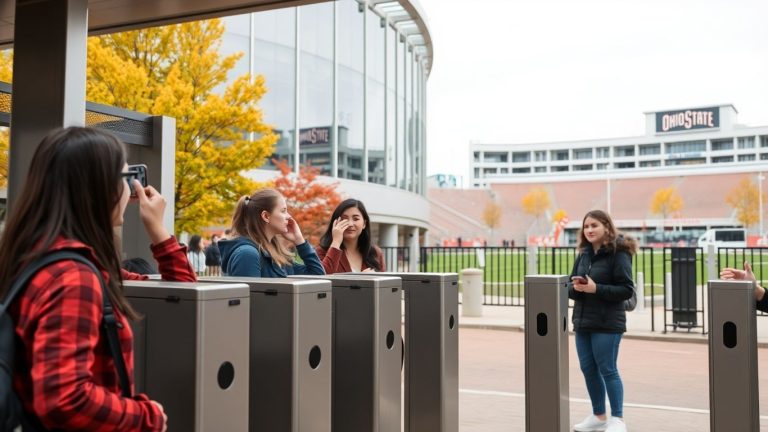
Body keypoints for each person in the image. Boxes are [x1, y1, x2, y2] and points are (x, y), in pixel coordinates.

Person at [0, 127, 197, 431]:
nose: (129, 189)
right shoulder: (73, 276)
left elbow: (181, 296)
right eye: (122, 179)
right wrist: (147, 416)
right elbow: (65, 400)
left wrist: (156, 228)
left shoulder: (34, 256)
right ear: (97, 188)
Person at [569, 210, 637, 432]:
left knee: (608, 369)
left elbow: (626, 290)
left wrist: (595, 288)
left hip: (608, 323)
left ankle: (617, 419)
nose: (589, 230)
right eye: (586, 226)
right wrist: (576, 288)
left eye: (594, 225)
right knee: (588, 368)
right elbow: (572, 287)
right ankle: (598, 416)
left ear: (607, 227)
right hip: (583, 321)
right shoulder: (584, 254)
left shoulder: (619, 253)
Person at [218, 188, 324, 277]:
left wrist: (300, 241)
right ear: (266, 216)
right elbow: (249, 300)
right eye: (283, 211)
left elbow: (317, 277)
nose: (289, 216)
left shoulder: (278, 253)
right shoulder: (247, 254)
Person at [316, 199, 385, 274]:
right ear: (335, 223)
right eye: (344, 219)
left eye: (356, 219)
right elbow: (323, 277)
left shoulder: (376, 252)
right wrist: (336, 241)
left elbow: (386, 284)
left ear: (364, 224)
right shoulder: (322, 251)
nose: (350, 224)